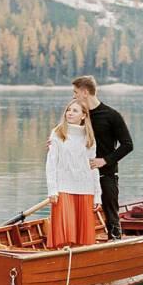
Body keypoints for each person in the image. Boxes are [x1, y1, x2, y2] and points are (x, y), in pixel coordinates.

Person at [71, 75, 133, 239]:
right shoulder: (79, 116)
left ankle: (115, 243)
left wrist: (104, 160)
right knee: (79, 214)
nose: (73, 96)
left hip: (106, 175)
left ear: (85, 92)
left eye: (75, 92)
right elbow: (67, 138)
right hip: (81, 176)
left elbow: (128, 145)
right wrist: (55, 142)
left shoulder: (112, 116)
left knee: (111, 216)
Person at [45, 99, 102, 248]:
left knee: (82, 238)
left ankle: (80, 262)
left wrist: (98, 194)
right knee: (64, 235)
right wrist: (52, 190)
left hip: (85, 188)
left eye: (75, 110)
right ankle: (60, 261)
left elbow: (93, 167)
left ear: (83, 116)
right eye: (68, 110)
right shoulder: (57, 133)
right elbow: (51, 164)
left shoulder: (89, 137)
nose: (69, 113)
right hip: (63, 189)